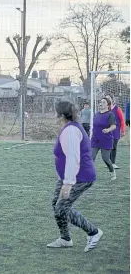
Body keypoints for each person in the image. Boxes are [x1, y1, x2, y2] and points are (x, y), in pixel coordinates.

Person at [47, 99, 103, 252]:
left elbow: (73, 157)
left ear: (60, 114)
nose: (53, 115)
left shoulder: (71, 130)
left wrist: (68, 183)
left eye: (55, 112)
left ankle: (94, 232)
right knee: (56, 204)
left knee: (61, 208)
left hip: (80, 177)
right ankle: (65, 239)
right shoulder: (68, 128)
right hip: (69, 176)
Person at [91, 97, 117, 180]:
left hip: (106, 140)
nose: (101, 103)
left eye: (103, 102)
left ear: (108, 105)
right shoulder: (97, 114)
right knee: (91, 157)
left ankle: (112, 171)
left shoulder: (110, 114)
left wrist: (108, 129)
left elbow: (114, 126)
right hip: (95, 139)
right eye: (100, 102)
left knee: (105, 159)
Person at [105, 95, 125, 169]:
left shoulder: (117, 109)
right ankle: (108, 162)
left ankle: (113, 163)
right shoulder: (105, 109)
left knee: (114, 147)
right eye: (106, 98)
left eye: (109, 98)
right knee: (108, 147)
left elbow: (122, 120)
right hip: (107, 131)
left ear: (112, 99)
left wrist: (122, 130)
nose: (108, 99)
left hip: (115, 131)